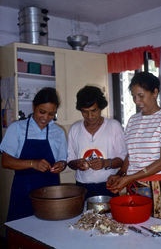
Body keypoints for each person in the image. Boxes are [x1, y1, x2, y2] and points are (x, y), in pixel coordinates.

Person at [107, 72, 161, 222]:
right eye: (134, 96)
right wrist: (121, 174)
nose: (137, 101)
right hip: (135, 185)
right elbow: (132, 155)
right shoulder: (133, 120)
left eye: (141, 95)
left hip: (160, 187)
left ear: (155, 92)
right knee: (137, 230)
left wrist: (129, 178)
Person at [0, 87, 68, 221]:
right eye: (42, 112)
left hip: (50, 192)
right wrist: (33, 163)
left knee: (49, 232)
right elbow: (5, 161)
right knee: (20, 233)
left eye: (51, 114)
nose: (46, 118)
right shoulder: (17, 128)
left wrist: (61, 164)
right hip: (23, 191)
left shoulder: (58, 132)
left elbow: (62, 160)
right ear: (33, 106)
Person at [67, 85, 127, 199]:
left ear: (101, 107)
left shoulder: (114, 126)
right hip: (82, 186)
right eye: (84, 112)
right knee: (84, 216)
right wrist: (77, 164)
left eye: (93, 111)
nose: (90, 116)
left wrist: (105, 163)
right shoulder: (75, 129)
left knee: (109, 216)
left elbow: (123, 159)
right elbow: (70, 161)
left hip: (108, 184)